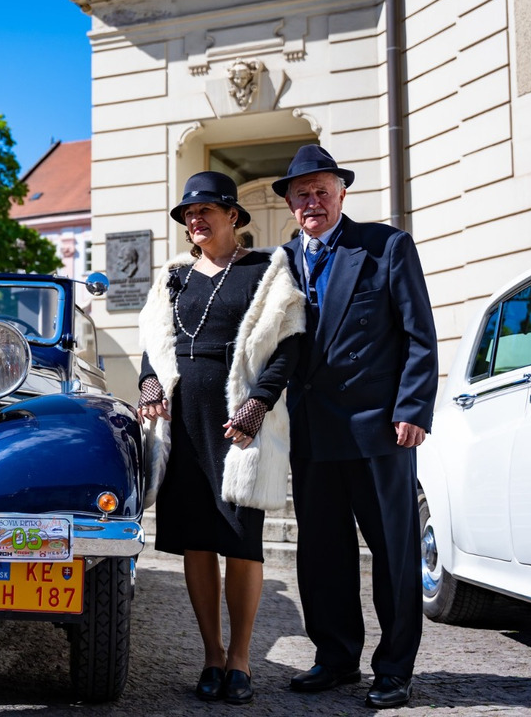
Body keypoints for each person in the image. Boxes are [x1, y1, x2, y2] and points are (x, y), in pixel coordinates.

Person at [272, 145, 438, 710]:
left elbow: (419, 334)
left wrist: (412, 407)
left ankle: (394, 668)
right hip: (313, 432)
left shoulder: (386, 246)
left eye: (321, 191)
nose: (312, 201)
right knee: (321, 552)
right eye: (302, 194)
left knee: (393, 553)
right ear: (291, 204)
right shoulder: (284, 261)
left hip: (379, 431)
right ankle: (336, 657)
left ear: (341, 193)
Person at [137, 171, 305, 706]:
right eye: (189, 213)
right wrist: (147, 384)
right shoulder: (173, 278)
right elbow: (153, 345)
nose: (196, 219)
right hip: (184, 422)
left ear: (234, 215)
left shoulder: (267, 269)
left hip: (240, 420)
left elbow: (289, 346)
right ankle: (211, 654)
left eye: (207, 209)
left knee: (241, 541)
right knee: (196, 542)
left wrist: (258, 405)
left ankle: (241, 659)